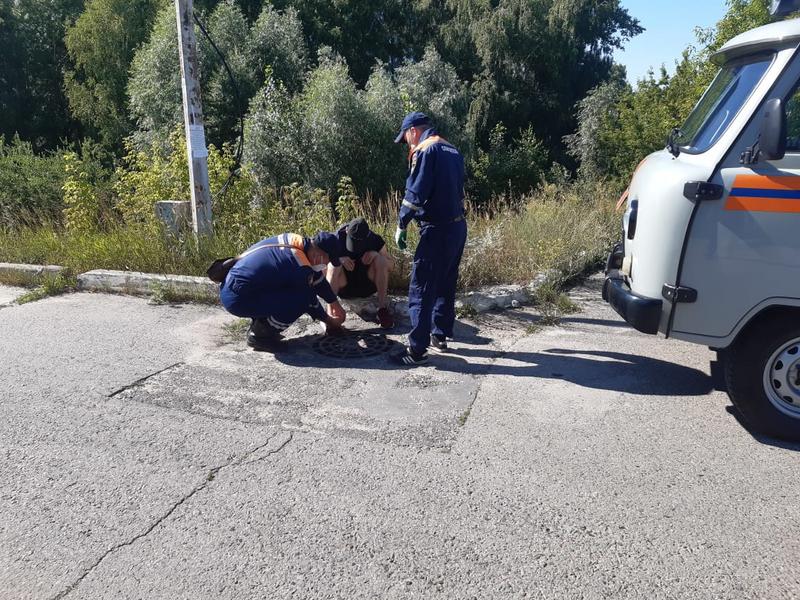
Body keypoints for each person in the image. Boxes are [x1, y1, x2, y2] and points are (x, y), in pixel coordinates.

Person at [390, 112, 467, 366]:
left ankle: (416, 351)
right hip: (457, 227)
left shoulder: (425, 150)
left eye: (406, 139)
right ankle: (440, 334)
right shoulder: (452, 149)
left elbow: (416, 192)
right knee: (446, 282)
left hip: (436, 230)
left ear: (413, 130)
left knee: (422, 287)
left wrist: (402, 223)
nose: (407, 145)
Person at [219, 232, 347, 352]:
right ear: (318, 254)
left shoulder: (297, 242)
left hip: (234, 286)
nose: (326, 264)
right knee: (301, 300)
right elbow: (310, 301)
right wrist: (330, 322)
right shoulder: (299, 264)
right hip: (238, 299)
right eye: (327, 260)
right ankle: (260, 336)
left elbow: (317, 278)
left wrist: (334, 303)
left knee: (287, 289)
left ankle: (261, 322)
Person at [326, 217, 395, 329]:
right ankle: (330, 313)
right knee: (333, 265)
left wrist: (376, 254)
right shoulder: (335, 239)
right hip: (344, 286)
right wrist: (339, 260)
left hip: (367, 284)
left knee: (381, 260)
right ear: (346, 231)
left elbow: (391, 266)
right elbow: (322, 267)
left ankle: (382, 310)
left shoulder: (374, 239)